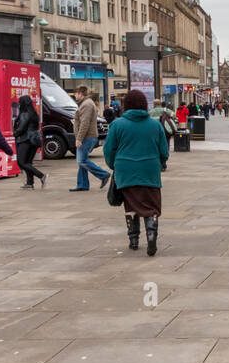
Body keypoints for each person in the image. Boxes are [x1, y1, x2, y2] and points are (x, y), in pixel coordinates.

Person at [105, 89, 169, 256]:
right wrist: (160, 162)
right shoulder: (155, 125)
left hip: (125, 170)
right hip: (149, 169)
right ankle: (151, 233)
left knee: (130, 203)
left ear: (126, 105)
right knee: (151, 205)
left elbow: (109, 150)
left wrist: (114, 165)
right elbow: (164, 151)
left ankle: (133, 239)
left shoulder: (117, 124)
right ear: (144, 105)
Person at [71, 86, 111, 192]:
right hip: (87, 136)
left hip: (87, 137)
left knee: (82, 160)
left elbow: (85, 122)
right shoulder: (85, 103)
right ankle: (82, 184)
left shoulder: (86, 104)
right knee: (81, 162)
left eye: (76, 93)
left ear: (81, 93)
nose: (75, 95)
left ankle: (103, 175)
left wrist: (79, 138)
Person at [13, 94, 47, 190]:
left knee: (21, 162)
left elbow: (21, 128)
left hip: (25, 140)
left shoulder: (24, 114)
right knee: (28, 162)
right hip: (34, 140)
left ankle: (41, 176)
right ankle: (29, 183)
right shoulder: (34, 113)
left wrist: (14, 134)